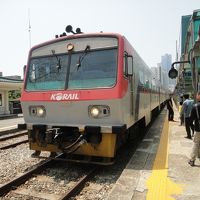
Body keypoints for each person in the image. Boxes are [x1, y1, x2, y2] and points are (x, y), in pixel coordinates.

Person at [188, 92, 200, 166]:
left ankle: (192, 160)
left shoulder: (195, 106)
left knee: (196, 143)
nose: (196, 96)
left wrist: (192, 128)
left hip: (198, 129)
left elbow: (191, 119)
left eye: (197, 95)